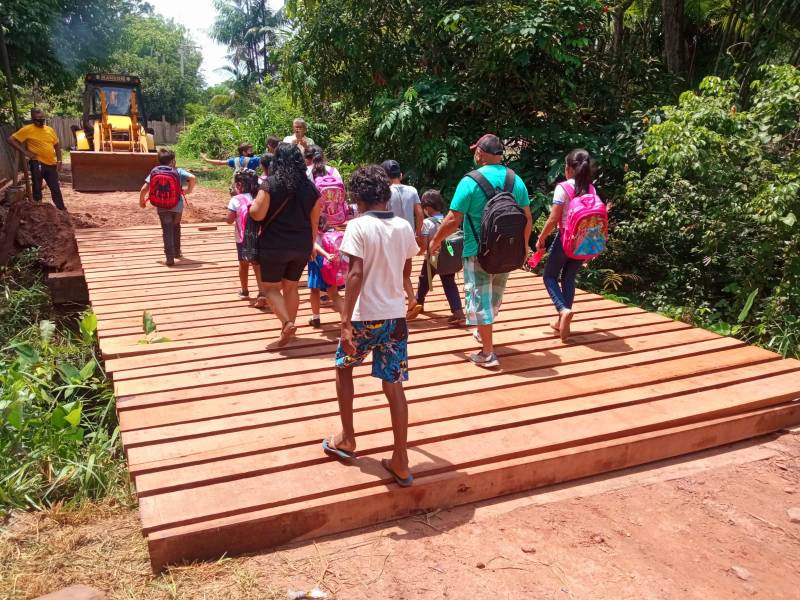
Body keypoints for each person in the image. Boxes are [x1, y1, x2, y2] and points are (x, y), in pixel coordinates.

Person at [321, 164, 419, 487]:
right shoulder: (404, 227)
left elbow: (355, 274)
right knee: (394, 384)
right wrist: (410, 298)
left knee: (343, 368)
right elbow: (405, 271)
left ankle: (348, 439)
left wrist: (345, 321)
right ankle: (401, 460)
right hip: (395, 318)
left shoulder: (358, 226)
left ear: (358, 198)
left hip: (365, 316)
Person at [429, 134, 532, 368]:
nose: (475, 153)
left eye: (476, 150)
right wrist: (524, 247)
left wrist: (435, 241)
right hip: (508, 250)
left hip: (478, 251)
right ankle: (484, 333)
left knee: (479, 299)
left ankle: (487, 353)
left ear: (481, 154)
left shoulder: (470, 181)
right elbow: (527, 218)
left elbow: (454, 219)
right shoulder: (515, 180)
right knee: (494, 297)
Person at [249, 143, 320, 346]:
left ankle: (287, 323)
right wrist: (311, 245)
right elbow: (315, 220)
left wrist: (253, 207)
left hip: (274, 245)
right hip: (301, 245)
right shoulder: (310, 188)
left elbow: (258, 213)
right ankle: (289, 327)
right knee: (291, 287)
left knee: (270, 288)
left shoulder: (270, 184)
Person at [537, 148, 595, 341]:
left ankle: (562, 311)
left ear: (569, 168)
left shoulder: (564, 188)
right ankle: (562, 320)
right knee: (569, 277)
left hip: (566, 240)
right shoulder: (591, 188)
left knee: (549, 276)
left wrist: (541, 238)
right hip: (584, 242)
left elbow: (554, 219)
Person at [408, 190, 465, 325]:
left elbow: (425, 243)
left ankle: (418, 303)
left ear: (427, 208)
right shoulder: (446, 220)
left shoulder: (427, 223)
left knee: (424, 280)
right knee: (449, 283)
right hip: (448, 259)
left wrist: (419, 251)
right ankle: (458, 312)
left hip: (433, 259)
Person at [139, 148, 196, 266]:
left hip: (162, 206)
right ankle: (177, 252)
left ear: (159, 161)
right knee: (176, 227)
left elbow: (144, 189)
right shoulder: (178, 171)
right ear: (173, 161)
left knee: (167, 230)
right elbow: (192, 177)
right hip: (177, 205)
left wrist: (142, 201)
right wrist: (188, 191)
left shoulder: (155, 172)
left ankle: (169, 258)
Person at [381, 159, 423, 315]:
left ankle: (393, 306)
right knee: (405, 273)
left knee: (390, 272)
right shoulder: (412, 190)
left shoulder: (384, 192)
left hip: (390, 237)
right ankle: (411, 299)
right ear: (401, 174)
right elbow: (419, 213)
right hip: (408, 236)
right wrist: (418, 235)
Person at [7, 108, 65, 210]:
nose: (41, 120)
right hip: (36, 162)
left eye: (42, 118)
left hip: (51, 164)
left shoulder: (49, 130)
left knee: (55, 188)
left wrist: (59, 160)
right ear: (33, 119)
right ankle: (38, 210)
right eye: (38, 118)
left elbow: (57, 145)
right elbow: (11, 140)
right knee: (37, 187)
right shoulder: (27, 129)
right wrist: (25, 152)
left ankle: (62, 209)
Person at [226, 169, 265, 305]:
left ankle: (244, 290)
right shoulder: (259, 198)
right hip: (260, 236)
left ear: (239, 185)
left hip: (242, 238)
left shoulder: (235, 199)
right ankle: (262, 291)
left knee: (243, 264)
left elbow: (229, 220)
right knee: (257, 264)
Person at [307, 214, 344, 327]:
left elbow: (314, 245)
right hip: (331, 263)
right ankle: (346, 319)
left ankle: (316, 318)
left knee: (314, 291)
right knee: (333, 293)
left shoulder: (312, 230)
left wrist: (326, 255)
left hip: (317, 260)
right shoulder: (331, 229)